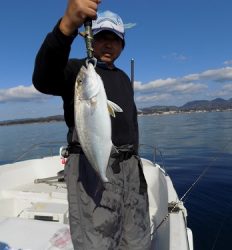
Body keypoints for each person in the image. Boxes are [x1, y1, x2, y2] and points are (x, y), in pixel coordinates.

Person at [32, 0, 151, 249]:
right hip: (91, 165)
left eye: (115, 38)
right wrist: (65, 27)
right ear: (90, 40)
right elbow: (44, 78)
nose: (108, 43)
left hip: (130, 171)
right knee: (97, 240)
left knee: (137, 238)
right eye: (101, 37)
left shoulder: (122, 77)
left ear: (122, 44)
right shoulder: (80, 71)